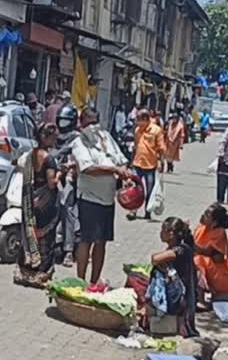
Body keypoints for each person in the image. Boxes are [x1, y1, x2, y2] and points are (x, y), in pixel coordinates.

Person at [71, 108, 132, 291]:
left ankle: (94, 282)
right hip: (90, 197)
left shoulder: (106, 137)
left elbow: (121, 159)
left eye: (94, 122)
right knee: (87, 240)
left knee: (101, 242)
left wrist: (124, 174)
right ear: (82, 124)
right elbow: (87, 168)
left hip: (108, 198)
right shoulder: (79, 142)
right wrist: (113, 170)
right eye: (89, 123)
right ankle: (80, 282)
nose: (93, 127)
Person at [14, 123, 60, 288]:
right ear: (45, 138)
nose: (55, 140)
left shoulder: (30, 155)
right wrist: (61, 173)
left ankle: (25, 271)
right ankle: (41, 274)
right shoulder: (49, 159)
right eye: (53, 137)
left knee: (29, 233)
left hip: (30, 201)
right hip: (45, 204)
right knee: (45, 238)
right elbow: (52, 183)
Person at [141, 218, 198, 337]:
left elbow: (155, 259)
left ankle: (146, 314)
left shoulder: (180, 250)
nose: (160, 233)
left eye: (163, 230)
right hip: (174, 292)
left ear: (171, 234)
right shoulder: (180, 248)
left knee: (137, 281)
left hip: (178, 298)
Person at [54, 103, 80, 267]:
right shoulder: (55, 137)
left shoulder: (77, 138)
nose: (62, 124)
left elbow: (70, 156)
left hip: (70, 178)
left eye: (65, 121)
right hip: (53, 176)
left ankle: (68, 251)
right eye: (60, 120)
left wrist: (67, 167)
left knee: (66, 207)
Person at [194, 203, 228, 302]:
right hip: (210, 271)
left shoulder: (219, 233)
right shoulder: (202, 228)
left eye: (207, 214)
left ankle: (201, 300)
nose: (203, 215)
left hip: (219, 276)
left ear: (215, 222)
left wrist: (188, 238)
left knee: (197, 260)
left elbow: (204, 251)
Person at [130, 109, 165, 220]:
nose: (136, 122)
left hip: (150, 164)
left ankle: (147, 210)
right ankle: (133, 211)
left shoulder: (156, 130)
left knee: (149, 189)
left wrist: (160, 162)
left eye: (138, 120)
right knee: (136, 189)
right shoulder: (137, 130)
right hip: (137, 163)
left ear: (145, 120)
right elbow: (136, 146)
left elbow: (161, 148)